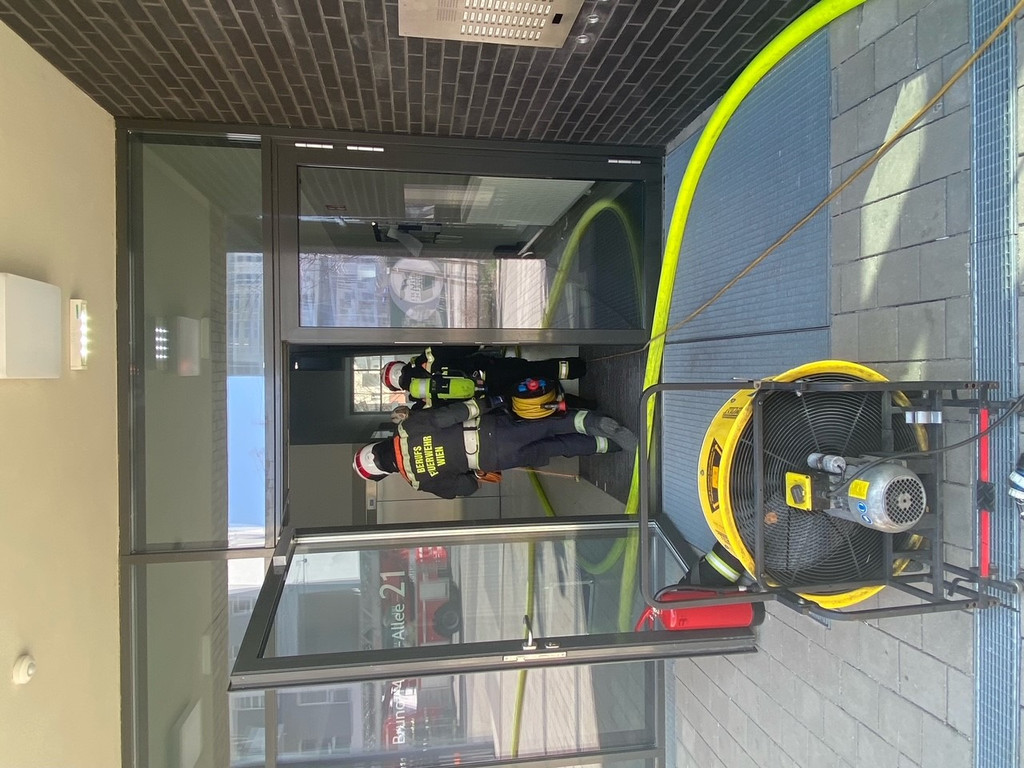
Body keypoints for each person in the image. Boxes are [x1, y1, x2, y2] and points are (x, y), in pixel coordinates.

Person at [353, 399, 636, 499]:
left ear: (384, 473)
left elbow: (467, 488)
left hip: (493, 458)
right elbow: (449, 415)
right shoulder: (407, 429)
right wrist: (486, 403)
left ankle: (608, 446)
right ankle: (593, 422)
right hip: (488, 429)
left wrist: (471, 472)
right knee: (548, 425)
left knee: (553, 446)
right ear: (378, 445)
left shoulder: (420, 482)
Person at [381, 345, 587, 410]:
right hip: (491, 371)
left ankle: (575, 404)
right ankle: (576, 368)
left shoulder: (422, 402)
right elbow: (466, 347)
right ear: (400, 365)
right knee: (533, 370)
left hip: (488, 401)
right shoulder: (429, 355)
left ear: (398, 387)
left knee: (529, 404)